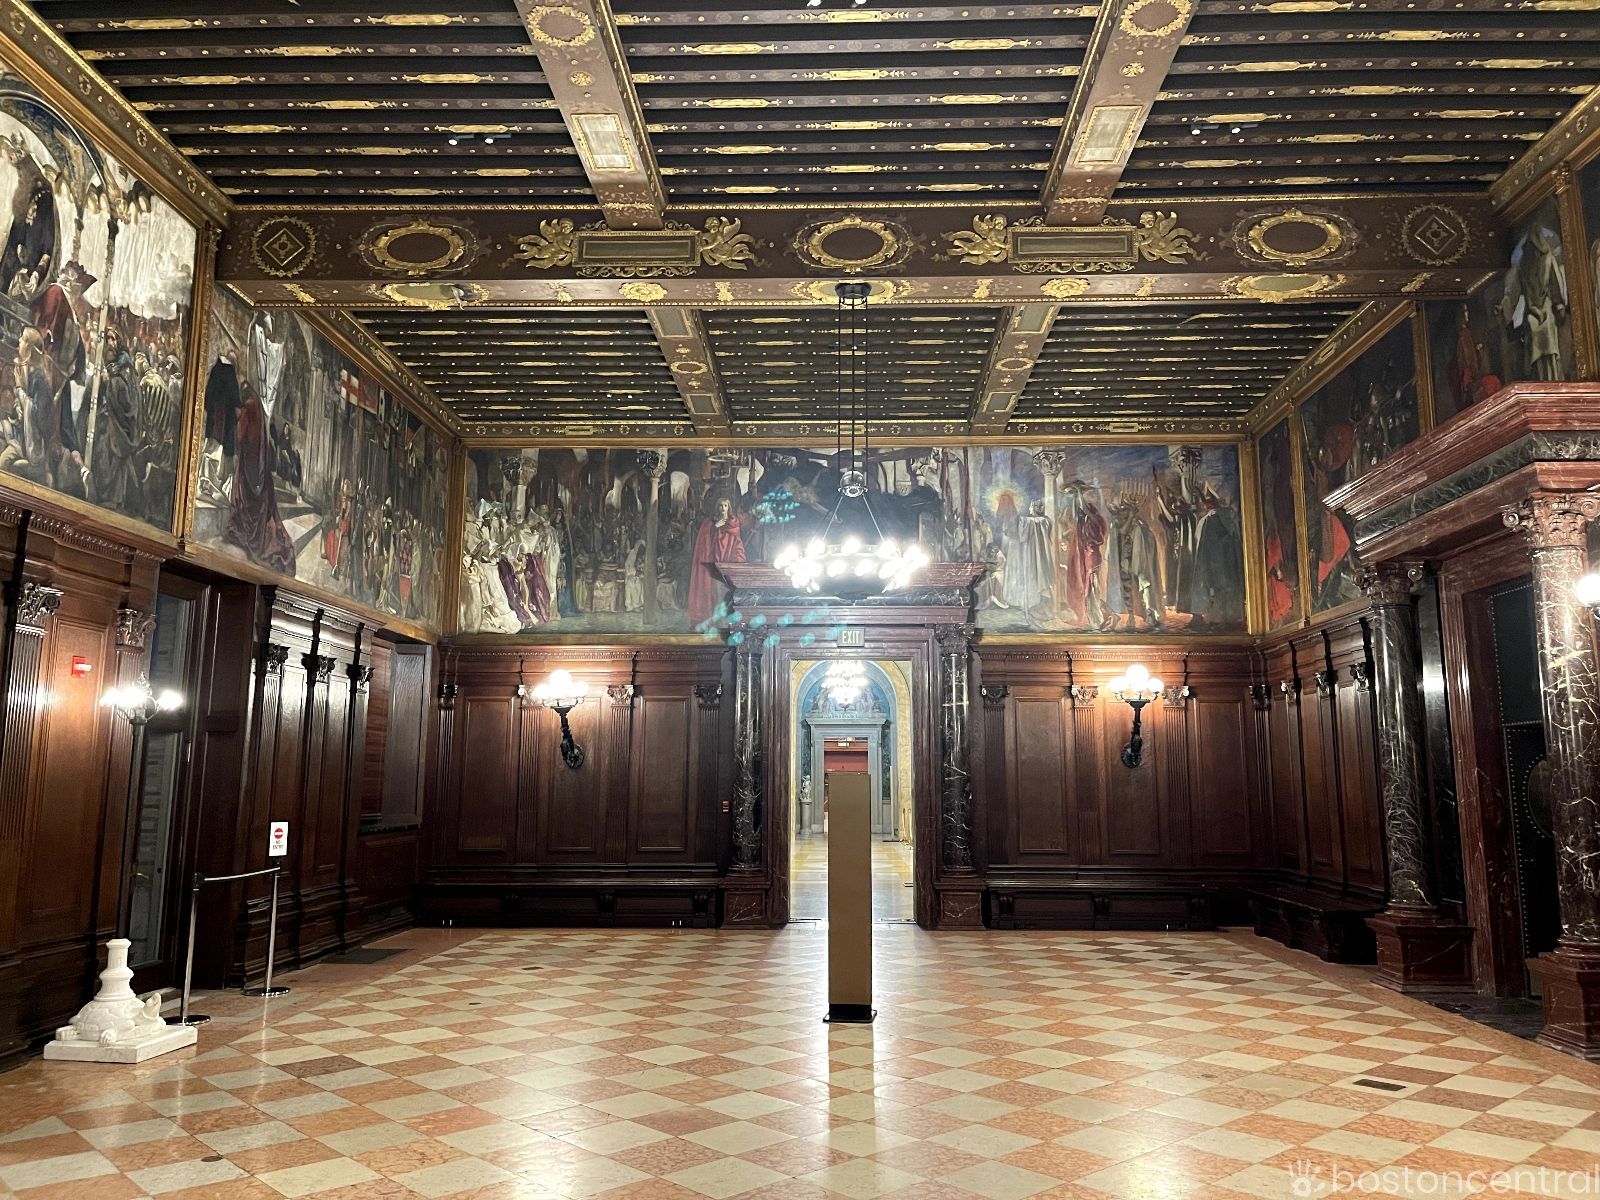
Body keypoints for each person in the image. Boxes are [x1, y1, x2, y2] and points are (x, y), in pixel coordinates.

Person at [223, 380, 295, 574]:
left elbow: (241, 435)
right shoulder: (260, 412)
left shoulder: (248, 407)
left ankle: (246, 533)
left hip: (248, 460)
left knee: (243, 494)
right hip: (260, 465)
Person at [687, 495, 746, 626]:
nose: (723, 508)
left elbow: (737, 543)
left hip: (727, 563)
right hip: (714, 563)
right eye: (720, 506)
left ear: (729, 508)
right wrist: (714, 528)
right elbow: (705, 541)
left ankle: (725, 622)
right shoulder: (710, 523)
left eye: (725, 506)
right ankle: (715, 621)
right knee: (714, 593)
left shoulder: (733, 523)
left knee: (726, 593)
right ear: (717, 508)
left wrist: (738, 561)